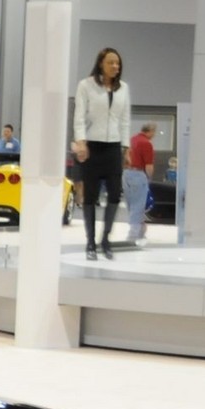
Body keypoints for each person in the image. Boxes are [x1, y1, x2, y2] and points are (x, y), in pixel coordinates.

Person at [72, 48, 132, 258]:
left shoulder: (123, 88)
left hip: (113, 147)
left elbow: (125, 120)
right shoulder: (86, 86)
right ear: (100, 64)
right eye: (111, 62)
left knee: (115, 194)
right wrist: (81, 141)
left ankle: (105, 239)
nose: (115, 66)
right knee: (90, 196)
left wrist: (126, 148)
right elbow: (79, 116)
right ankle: (90, 243)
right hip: (92, 147)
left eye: (117, 63)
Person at [124, 122, 156, 245]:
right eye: (154, 132)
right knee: (138, 205)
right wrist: (149, 178)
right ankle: (133, 235)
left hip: (126, 173)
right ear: (150, 131)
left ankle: (141, 231)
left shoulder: (132, 139)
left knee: (131, 204)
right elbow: (149, 166)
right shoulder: (146, 143)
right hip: (138, 174)